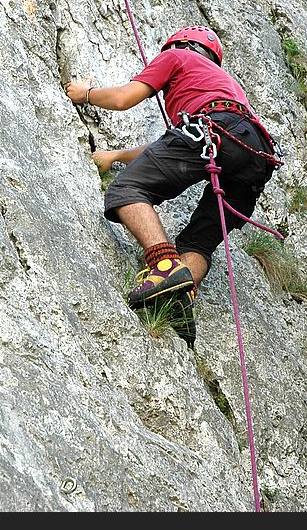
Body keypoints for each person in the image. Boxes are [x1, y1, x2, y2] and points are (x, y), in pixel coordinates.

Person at [64, 26, 278, 346]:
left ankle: (165, 268)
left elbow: (124, 98)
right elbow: (174, 145)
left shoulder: (176, 56)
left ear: (180, 44)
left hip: (214, 129)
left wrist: (87, 93)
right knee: (199, 244)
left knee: (127, 190)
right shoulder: (225, 84)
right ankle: (181, 295)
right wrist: (116, 156)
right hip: (258, 155)